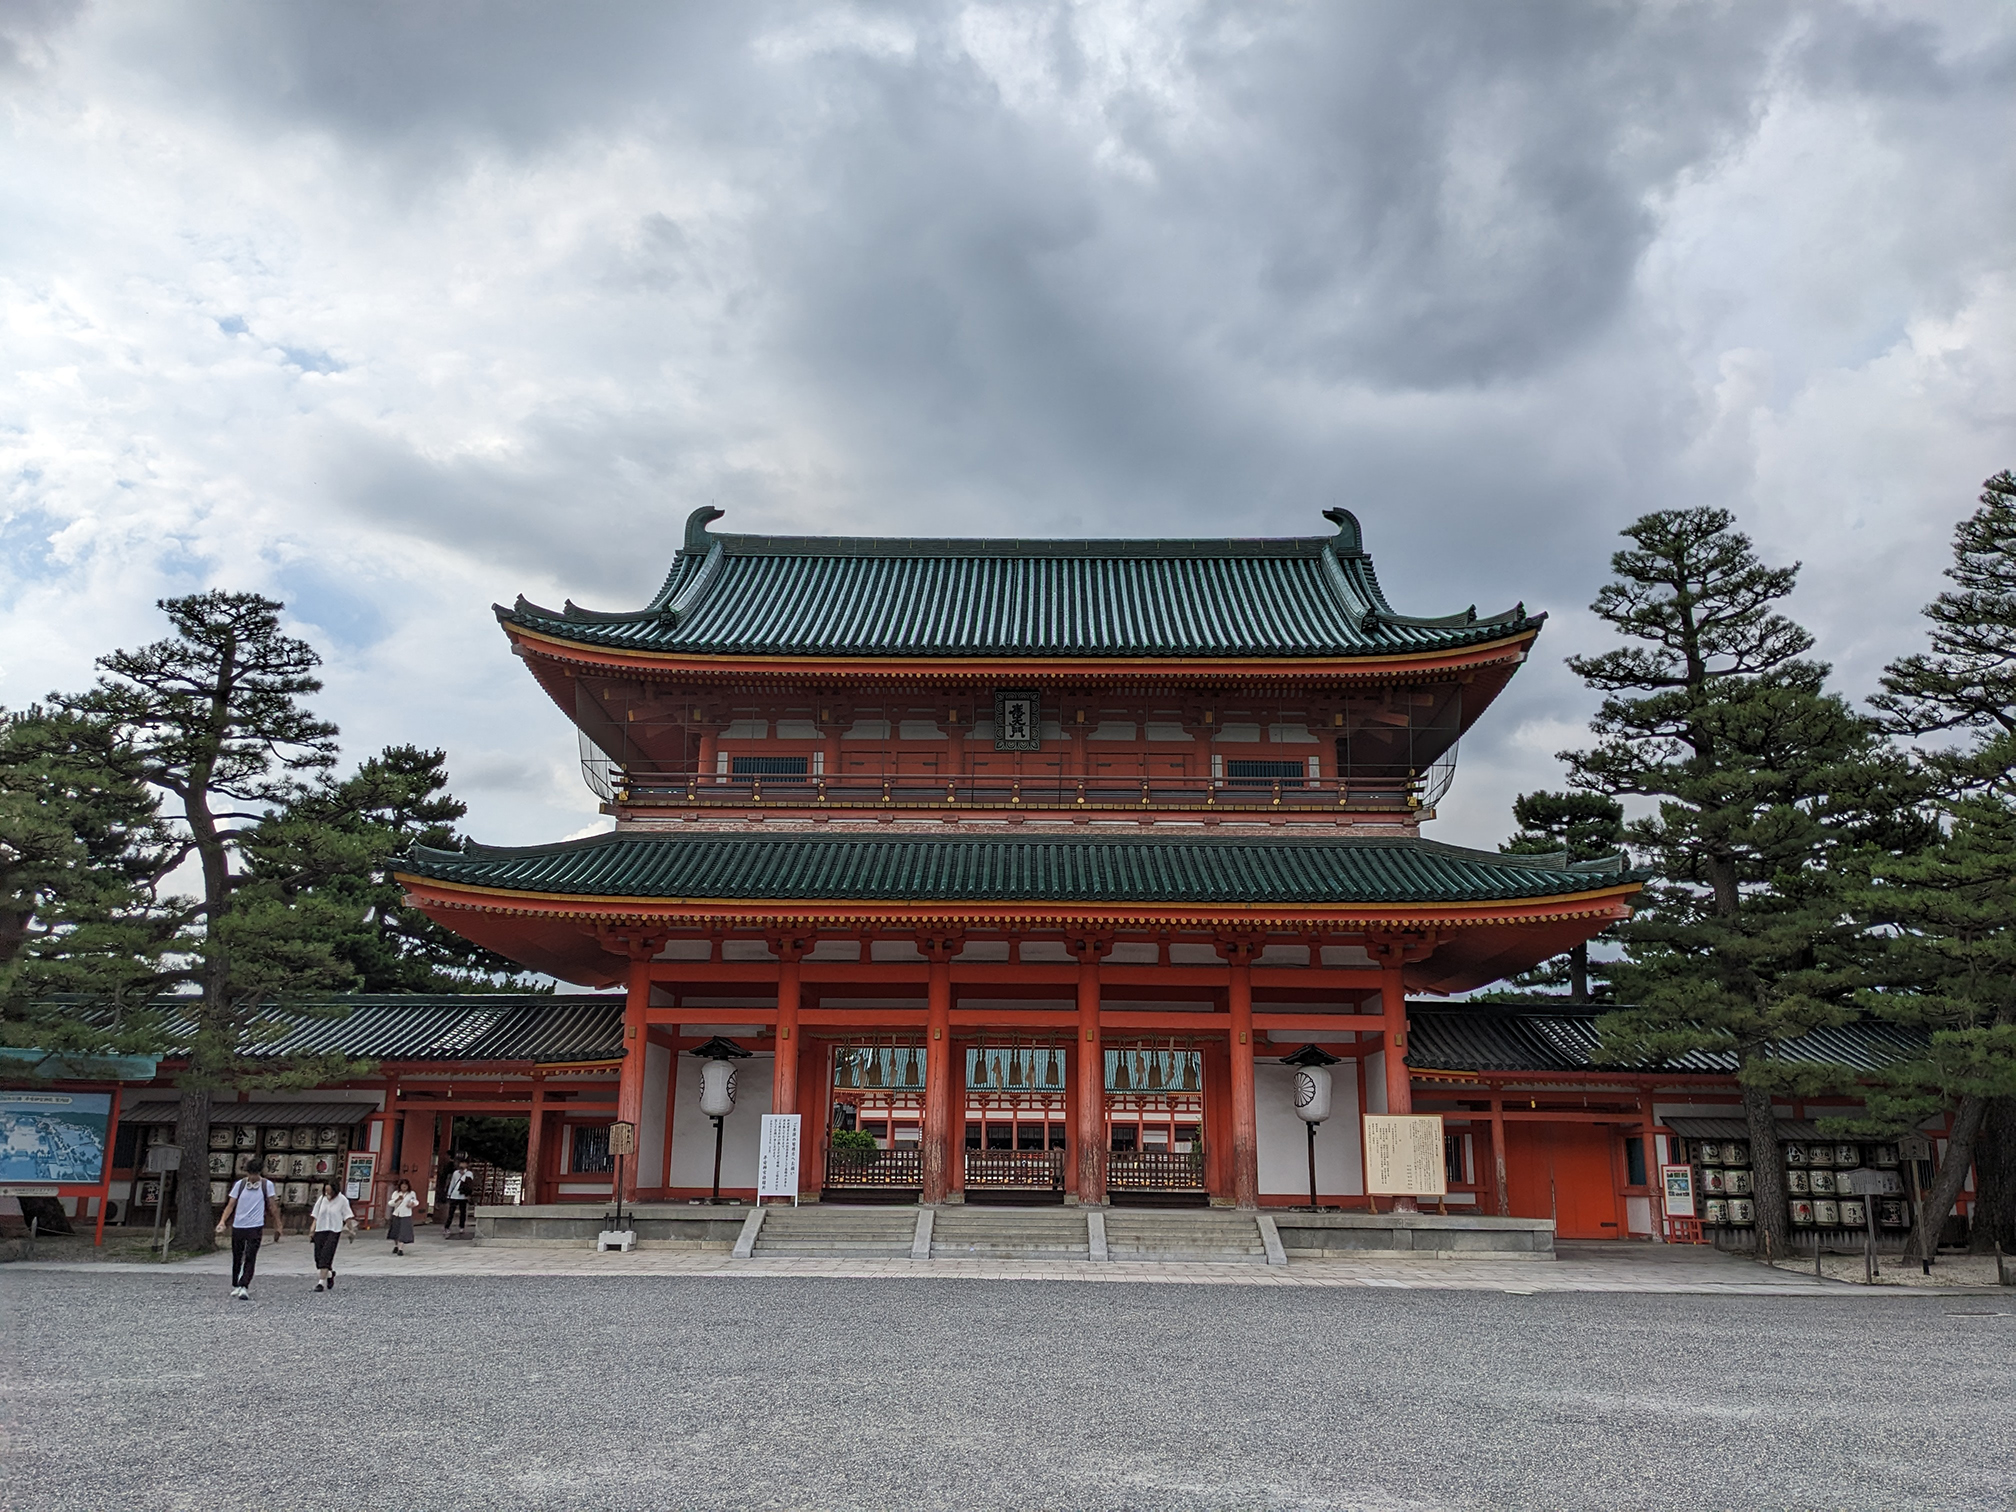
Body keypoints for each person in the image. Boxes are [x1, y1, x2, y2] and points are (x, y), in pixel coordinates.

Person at [215, 1156, 280, 1300]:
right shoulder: (240, 1185)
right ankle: (236, 1284)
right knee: (237, 1255)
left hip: (255, 1225)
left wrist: (277, 1224)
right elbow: (231, 1204)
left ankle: (244, 1285)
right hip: (238, 1224)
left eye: (255, 1174)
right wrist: (222, 1221)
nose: (253, 1177)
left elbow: (272, 1206)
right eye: (251, 1173)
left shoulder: (266, 1185)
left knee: (250, 1255)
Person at [309, 1181, 354, 1291]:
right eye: (326, 1190)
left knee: (326, 1254)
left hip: (334, 1230)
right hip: (320, 1229)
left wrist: (351, 1230)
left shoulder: (342, 1200)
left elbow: (347, 1216)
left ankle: (320, 1283)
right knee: (318, 1257)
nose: (327, 1193)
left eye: (329, 1191)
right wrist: (312, 1230)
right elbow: (316, 1216)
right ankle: (330, 1274)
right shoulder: (321, 1200)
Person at [386, 1179, 419, 1254]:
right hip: (397, 1214)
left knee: (403, 1232)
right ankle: (396, 1246)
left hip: (406, 1214)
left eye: (406, 1185)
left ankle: (401, 1249)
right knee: (396, 1232)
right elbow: (390, 1203)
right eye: (402, 1185)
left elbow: (416, 1201)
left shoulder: (411, 1193)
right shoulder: (396, 1193)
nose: (404, 1187)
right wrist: (397, 1200)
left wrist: (412, 1204)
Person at [442, 1159, 475, 1234]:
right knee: (451, 1212)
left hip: (463, 1196)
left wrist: (463, 1174)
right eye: (461, 1163)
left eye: (464, 1163)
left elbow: (468, 1183)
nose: (462, 1165)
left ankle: (461, 1227)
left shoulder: (469, 1173)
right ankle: (447, 1227)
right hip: (454, 1195)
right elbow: (452, 1183)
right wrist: (449, 1193)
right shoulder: (455, 1173)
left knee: (462, 1212)